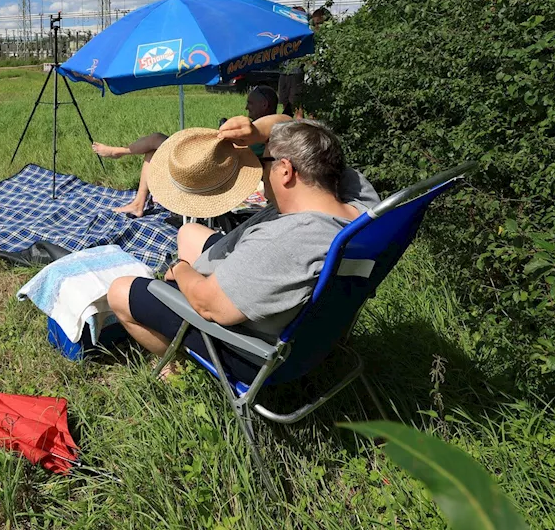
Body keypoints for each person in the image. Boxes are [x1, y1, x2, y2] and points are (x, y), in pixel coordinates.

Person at [107, 119, 378, 382]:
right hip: (307, 322)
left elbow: (208, 304)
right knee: (189, 232)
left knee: (120, 291)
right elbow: (299, 128)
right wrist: (256, 131)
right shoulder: (362, 202)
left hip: (250, 349)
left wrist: (179, 269)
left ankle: (179, 366)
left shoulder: (285, 242)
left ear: (285, 170)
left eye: (264, 162)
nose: (260, 171)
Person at [91, 85, 279, 217]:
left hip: (223, 171)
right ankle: (139, 203)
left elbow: (282, 121)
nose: (246, 107)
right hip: (218, 162)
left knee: (156, 139)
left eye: (251, 103)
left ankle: (121, 152)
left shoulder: (269, 134)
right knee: (153, 151)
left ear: (264, 105)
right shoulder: (251, 128)